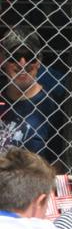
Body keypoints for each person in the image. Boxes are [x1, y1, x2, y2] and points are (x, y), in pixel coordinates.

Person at [1, 25, 63, 168]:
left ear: (39, 60)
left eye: (30, 56)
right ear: (3, 60)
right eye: (14, 56)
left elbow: (57, 163)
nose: (22, 64)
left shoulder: (53, 107)